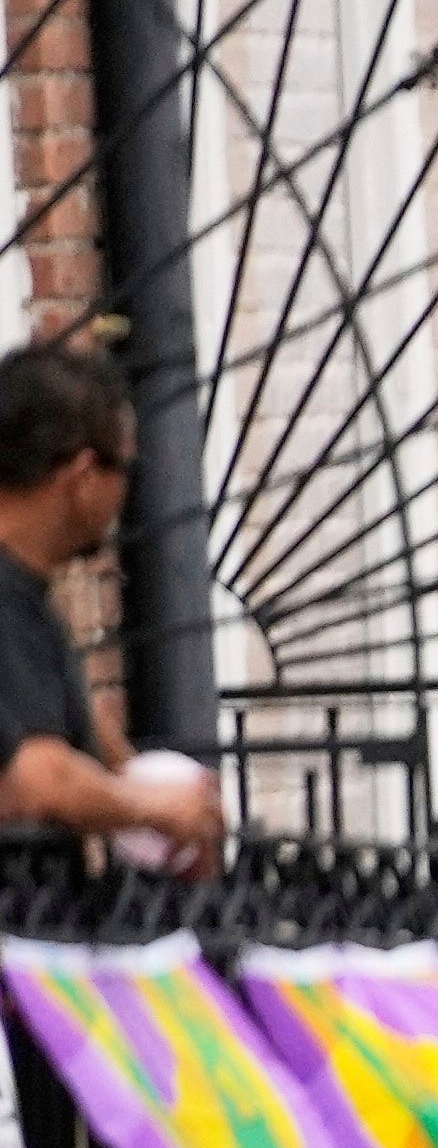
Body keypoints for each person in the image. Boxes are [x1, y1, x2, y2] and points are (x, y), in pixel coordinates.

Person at [0, 341, 225, 858]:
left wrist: (143, 781)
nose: (126, 492)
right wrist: (152, 807)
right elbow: (36, 775)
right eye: (123, 468)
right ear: (82, 478)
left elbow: (52, 726)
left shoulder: (26, 597)